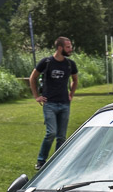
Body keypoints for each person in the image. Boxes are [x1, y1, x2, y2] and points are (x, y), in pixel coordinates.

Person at [29, 36, 78, 171]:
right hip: (49, 103)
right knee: (51, 133)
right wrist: (37, 96)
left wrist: (71, 94)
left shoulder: (70, 64)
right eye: (68, 47)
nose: (70, 49)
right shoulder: (46, 62)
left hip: (64, 104)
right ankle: (41, 161)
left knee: (61, 136)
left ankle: (57, 162)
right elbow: (32, 77)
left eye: (70, 46)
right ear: (60, 48)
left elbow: (75, 80)